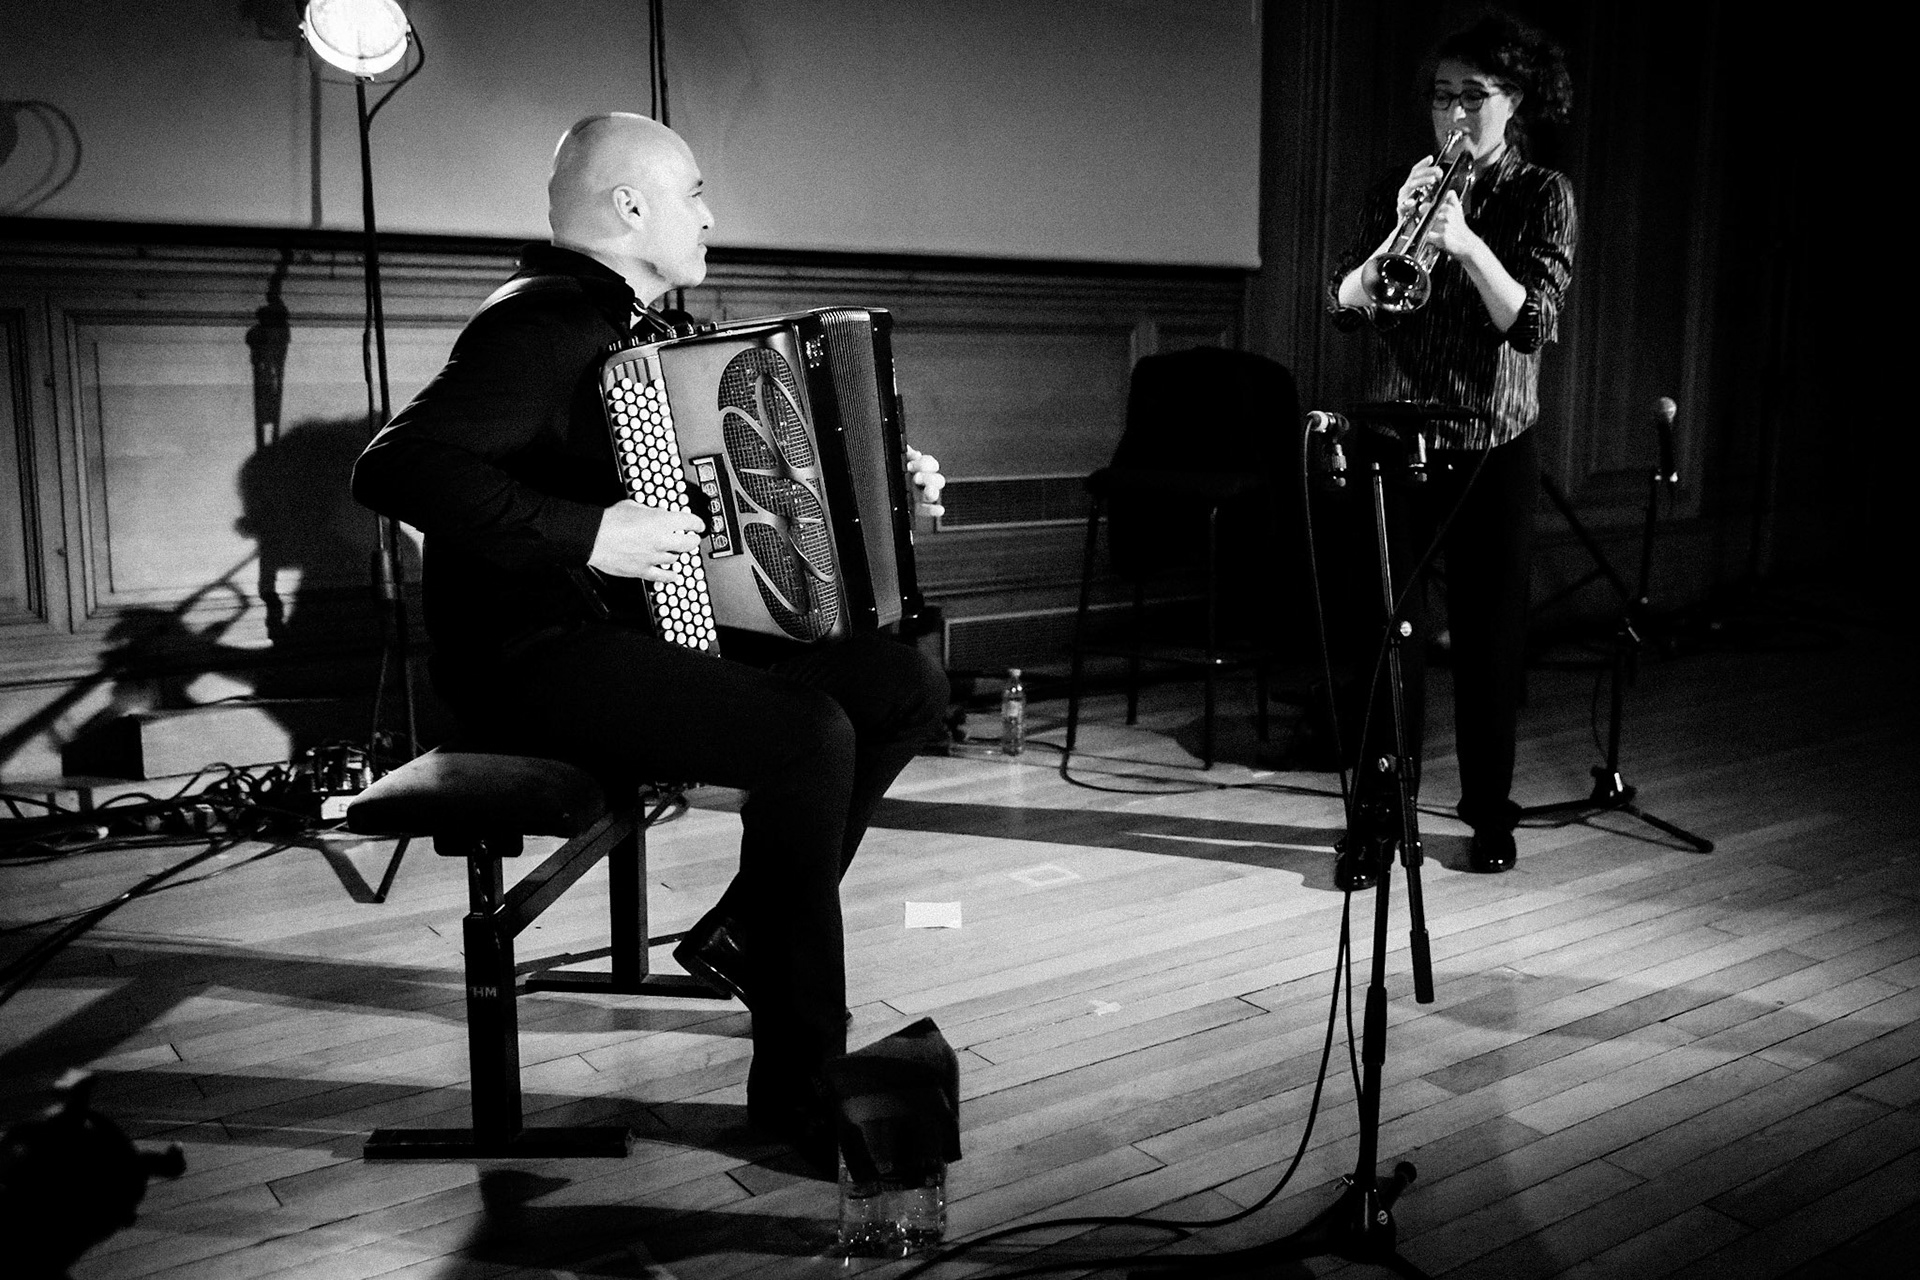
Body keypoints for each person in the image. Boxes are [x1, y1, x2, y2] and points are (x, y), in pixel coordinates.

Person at [351, 113, 950, 1170]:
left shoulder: (641, 328)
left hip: (622, 636)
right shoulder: (539, 322)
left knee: (900, 679)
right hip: (528, 658)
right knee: (805, 731)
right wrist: (592, 532)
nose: (712, 213)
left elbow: (727, 503)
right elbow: (396, 467)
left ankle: (750, 933)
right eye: (696, 192)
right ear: (630, 207)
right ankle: (800, 1091)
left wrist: (887, 494)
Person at [1326, 14, 1576, 879]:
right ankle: (1379, 820)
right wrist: (1396, 240)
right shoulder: (1407, 183)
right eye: (1442, 98)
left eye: (1473, 97)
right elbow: (1346, 299)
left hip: (1496, 440)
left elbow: (1530, 322)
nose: (1454, 118)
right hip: (1405, 435)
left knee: (1489, 638)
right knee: (1384, 634)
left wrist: (1465, 242)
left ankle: (1488, 815)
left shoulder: (1542, 194)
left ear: (1517, 102)